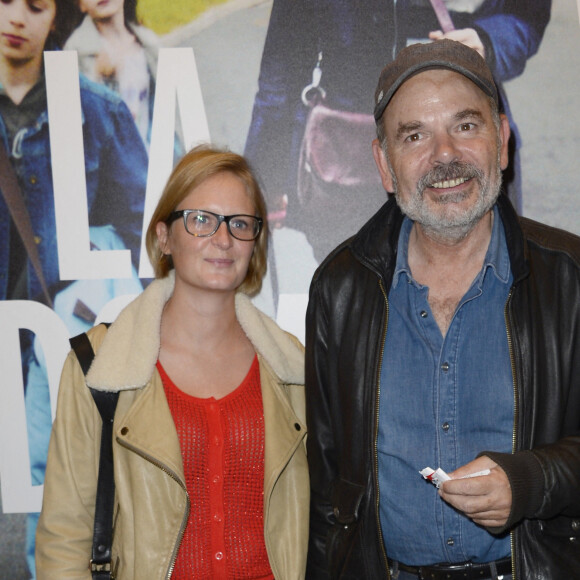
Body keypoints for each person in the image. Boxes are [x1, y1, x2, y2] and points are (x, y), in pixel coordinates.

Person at [305, 39, 580, 579]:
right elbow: (327, 492)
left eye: (466, 126)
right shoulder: (340, 288)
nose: (445, 155)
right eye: (414, 136)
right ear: (385, 165)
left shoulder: (572, 278)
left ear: (502, 140)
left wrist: (532, 480)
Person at [35, 144, 309, 579]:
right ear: (164, 236)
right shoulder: (99, 367)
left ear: (255, 243)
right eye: (201, 220)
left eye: (240, 223)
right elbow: (64, 539)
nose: (223, 239)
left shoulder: (294, 371)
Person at [0, 0, 147, 576]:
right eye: (6, 1)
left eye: (35, 6)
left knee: (51, 479)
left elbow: (144, 225)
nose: (16, 17)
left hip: (57, 331)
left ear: (55, 18)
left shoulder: (97, 111)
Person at [244, 0, 551, 265]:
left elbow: (524, 10)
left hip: (464, 153)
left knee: (473, 305)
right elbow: (281, 71)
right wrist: (260, 183)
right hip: (345, 166)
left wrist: (490, 41)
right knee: (355, 312)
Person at [64, 0, 159, 146]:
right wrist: (98, 80)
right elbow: (74, 123)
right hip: (114, 160)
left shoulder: (148, 42)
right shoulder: (76, 51)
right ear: (80, 5)